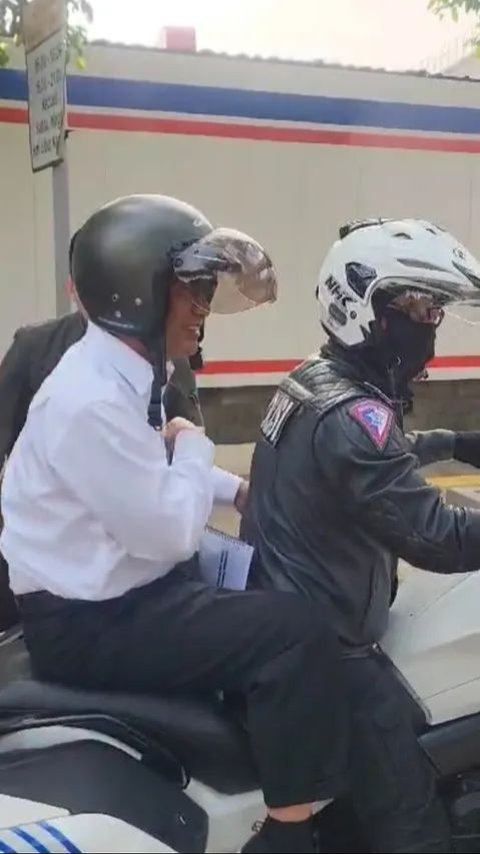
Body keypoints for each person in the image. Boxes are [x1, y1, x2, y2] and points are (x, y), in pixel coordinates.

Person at [0, 194, 349, 854]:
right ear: (136, 291)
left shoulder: (117, 371)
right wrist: (195, 448)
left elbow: (139, 473)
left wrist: (236, 490)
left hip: (107, 596)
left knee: (269, 585)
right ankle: (288, 832)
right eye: (190, 288)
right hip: (96, 622)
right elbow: (169, 530)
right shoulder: (91, 399)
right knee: (295, 634)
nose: (203, 306)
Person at [242, 218, 480, 854]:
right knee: (415, 827)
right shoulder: (351, 414)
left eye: (436, 310)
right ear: (363, 308)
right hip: (334, 653)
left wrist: (457, 444)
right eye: (419, 308)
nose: (430, 324)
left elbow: (377, 456)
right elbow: (437, 536)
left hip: (297, 617)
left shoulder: (316, 380)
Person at [0, 269, 216, 632]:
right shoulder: (38, 348)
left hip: (126, 551)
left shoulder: (163, 355)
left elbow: (169, 450)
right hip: (63, 573)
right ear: (74, 289)